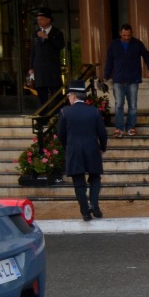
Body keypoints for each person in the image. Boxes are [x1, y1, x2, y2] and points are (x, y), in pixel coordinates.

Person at [56, 80, 107, 221]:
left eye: (69, 96)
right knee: (95, 177)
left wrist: (67, 146)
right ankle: (94, 205)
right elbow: (102, 133)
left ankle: (85, 212)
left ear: (73, 96)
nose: (68, 99)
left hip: (74, 150)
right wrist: (103, 147)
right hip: (92, 149)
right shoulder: (94, 111)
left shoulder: (65, 112)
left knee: (79, 182)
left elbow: (61, 134)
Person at [103, 23, 149, 137]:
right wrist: (106, 76)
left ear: (132, 34)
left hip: (133, 79)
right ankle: (119, 128)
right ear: (120, 34)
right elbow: (109, 61)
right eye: (124, 35)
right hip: (118, 79)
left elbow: (146, 55)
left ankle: (131, 127)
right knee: (119, 105)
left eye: (129, 35)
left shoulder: (137, 44)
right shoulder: (114, 45)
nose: (126, 37)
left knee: (132, 105)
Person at [28, 7, 64, 104]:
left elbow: (60, 46)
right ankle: (43, 117)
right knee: (41, 97)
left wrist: (48, 38)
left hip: (52, 70)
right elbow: (33, 51)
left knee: (56, 95)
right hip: (39, 70)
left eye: (42, 19)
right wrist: (31, 67)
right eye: (38, 20)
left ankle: (58, 116)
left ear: (48, 20)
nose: (39, 21)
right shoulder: (36, 33)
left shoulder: (57, 33)